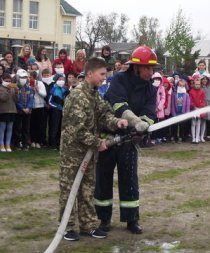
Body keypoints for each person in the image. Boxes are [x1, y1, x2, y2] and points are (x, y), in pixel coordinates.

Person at [59, 57, 128, 241]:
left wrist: (117, 122)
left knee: (87, 189)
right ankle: (67, 227)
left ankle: (88, 225)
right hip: (73, 153)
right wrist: (99, 142)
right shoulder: (78, 96)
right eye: (102, 74)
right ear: (90, 74)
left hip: (88, 153)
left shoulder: (94, 94)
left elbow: (104, 114)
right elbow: (78, 130)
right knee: (69, 190)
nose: (104, 78)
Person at [95, 46, 157, 235]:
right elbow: (118, 104)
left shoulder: (150, 88)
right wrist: (136, 121)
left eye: (152, 68)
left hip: (130, 140)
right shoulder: (120, 79)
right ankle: (103, 219)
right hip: (109, 137)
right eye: (147, 68)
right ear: (135, 67)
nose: (150, 72)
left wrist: (143, 126)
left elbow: (150, 113)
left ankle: (132, 219)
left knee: (130, 180)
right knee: (103, 179)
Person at [14, 69, 34, 150]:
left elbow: (31, 99)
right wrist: (22, 108)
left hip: (27, 111)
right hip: (19, 111)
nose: (24, 79)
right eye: (22, 77)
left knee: (26, 128)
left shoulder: (29, 88)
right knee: (17, 127)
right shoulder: (15, 88)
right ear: (18, 77)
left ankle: (25, 143)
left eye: (25, 77)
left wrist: (28, 108)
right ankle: (17, 143)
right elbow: (16, 100)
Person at [48, 74, 69, 150]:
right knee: (54, 127)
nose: (61, 81)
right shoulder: (53, 89)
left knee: (61, 127)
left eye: (63, 79)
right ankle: (52, 144)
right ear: (56, 80)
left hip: (64, 111)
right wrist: (57, 107)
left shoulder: (65, 89)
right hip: (55, 111)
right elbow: (49, 101)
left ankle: (59, 144)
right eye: (60, 79)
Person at [0, 73, 18, 152]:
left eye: (10, 81)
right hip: (4, 110)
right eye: (6, 81)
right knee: (3, 127)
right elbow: (3, 98)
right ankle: (1, 144)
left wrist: (16, 92)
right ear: (2, 80)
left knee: (10, 127)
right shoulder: (0, 88)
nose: (8, 82)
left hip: (12, 110)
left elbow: (16, 100)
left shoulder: (13, 88)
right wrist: (8, 90)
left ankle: (8, 144)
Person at [29, 70, 46, 148]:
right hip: (31, 106)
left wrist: (37, 90)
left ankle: (38, 141)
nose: (30, 79)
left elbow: (44, 94)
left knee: (39, 124)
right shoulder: (27, 84)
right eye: (29, 77)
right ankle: (32, 140)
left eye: (31, 77)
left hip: (39, 106)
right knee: (32, 124)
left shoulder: (40, 83)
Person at [189, 75, 207, 144]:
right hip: (193, 109)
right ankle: (193, 138)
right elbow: (191, 101)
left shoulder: (202, 92)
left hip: (199, 110)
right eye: (196, 84)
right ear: (193, 84)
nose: (197, 85)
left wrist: (200, 107)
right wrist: (194, 107)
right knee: (193, 123)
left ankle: (197, 138)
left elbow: (203, 101)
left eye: (199, 84)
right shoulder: (191, 91)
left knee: (198, 123)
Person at [201, 75, 210, 141]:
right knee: (202, 120)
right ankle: (201, 135)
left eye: (206, 79)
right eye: (203, 79)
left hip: (208, 105)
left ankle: (208, 135)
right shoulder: (200, 88)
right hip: (202, 105)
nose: (204, 80)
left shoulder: (209, 88)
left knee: (208, 120)